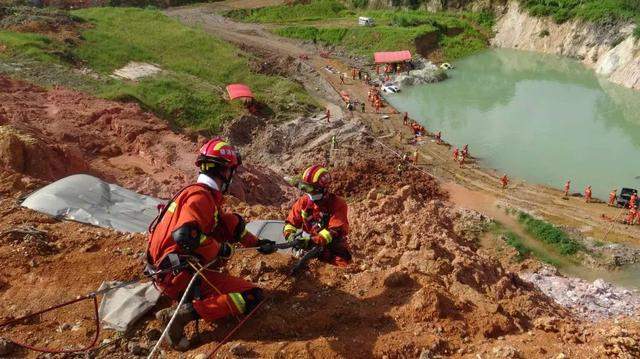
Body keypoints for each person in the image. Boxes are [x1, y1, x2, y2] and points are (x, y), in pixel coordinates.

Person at [147, 138, 277, 351]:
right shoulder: (201, 199)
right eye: (231, 172)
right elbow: (185, 236)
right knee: (252, 296)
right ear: (225, 171)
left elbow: (225, 225)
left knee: (230, 221)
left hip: (166, 270)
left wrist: (258, 243)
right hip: (178, 277)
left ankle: (187, 302)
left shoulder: (193, 193)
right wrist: (219, 249)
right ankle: (182, 314)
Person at [283, 165, 351, 267]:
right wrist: (290, 236)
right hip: (309, 251)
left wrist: (311, 241)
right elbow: (291, 223)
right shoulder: (304, 202)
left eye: (311, 189)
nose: (308, 192)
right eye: (306, 188)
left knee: (340, 275)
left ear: (323, 188)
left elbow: (333, 232)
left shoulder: (337, 204)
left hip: (333, 253)